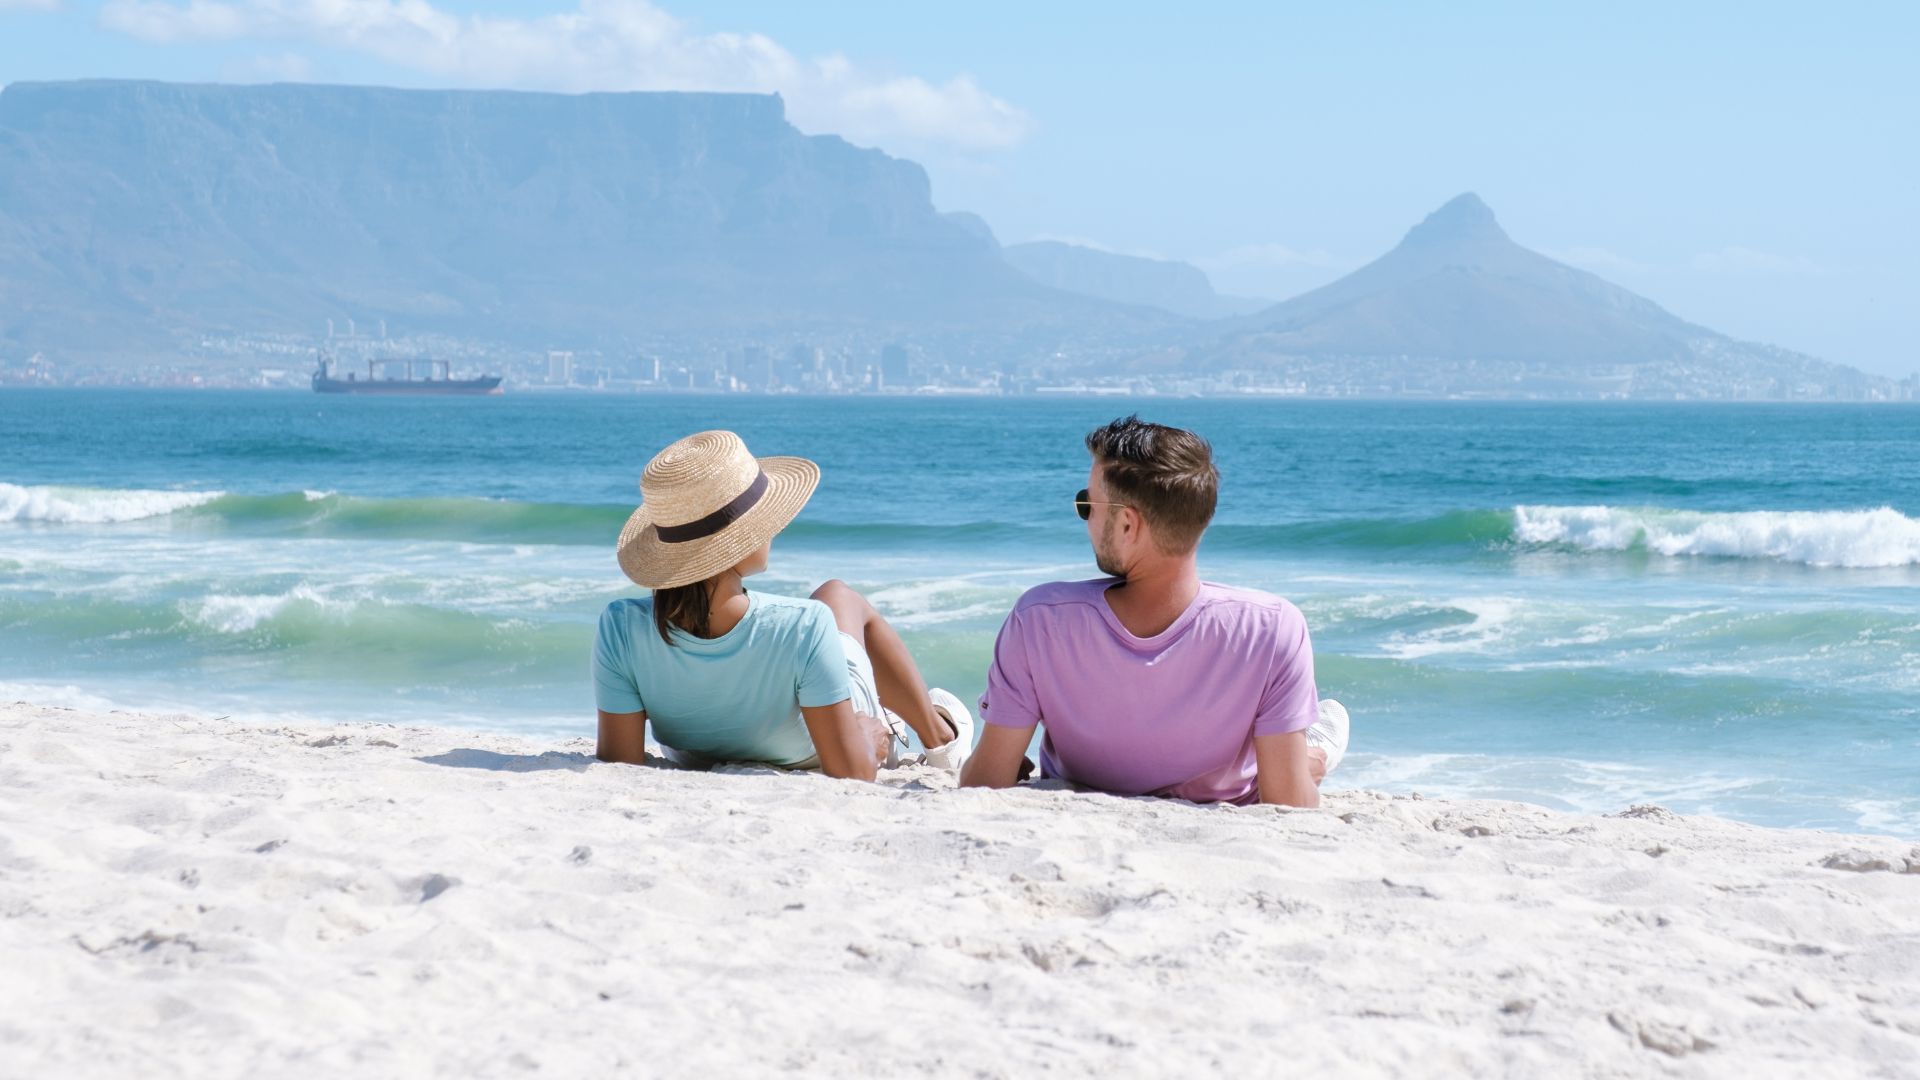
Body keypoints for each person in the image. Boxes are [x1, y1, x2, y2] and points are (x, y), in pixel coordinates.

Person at [959, 415, 1348, 806]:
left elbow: (984, 783)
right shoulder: (1272, 626)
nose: (1085, 518)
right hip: (1232, 797)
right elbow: (1289, 803)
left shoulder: (1041, 618)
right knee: (1297, 766)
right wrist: (1297, 775)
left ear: (1128, 525)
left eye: (1087, 504)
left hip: (1079, 790)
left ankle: (1309, 755)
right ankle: (1313, 755)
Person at [593, 429, 973, 780]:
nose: (772, 530)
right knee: (839, 595)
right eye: (762, 519)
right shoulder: (804, 626)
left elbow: (620, 761)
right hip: (821, 747)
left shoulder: (620, 627)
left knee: (832, 606)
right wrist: (866, 733)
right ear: (737, 544)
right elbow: (853, 772)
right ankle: (940, 735)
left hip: (692, 757)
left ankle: (931, 727)